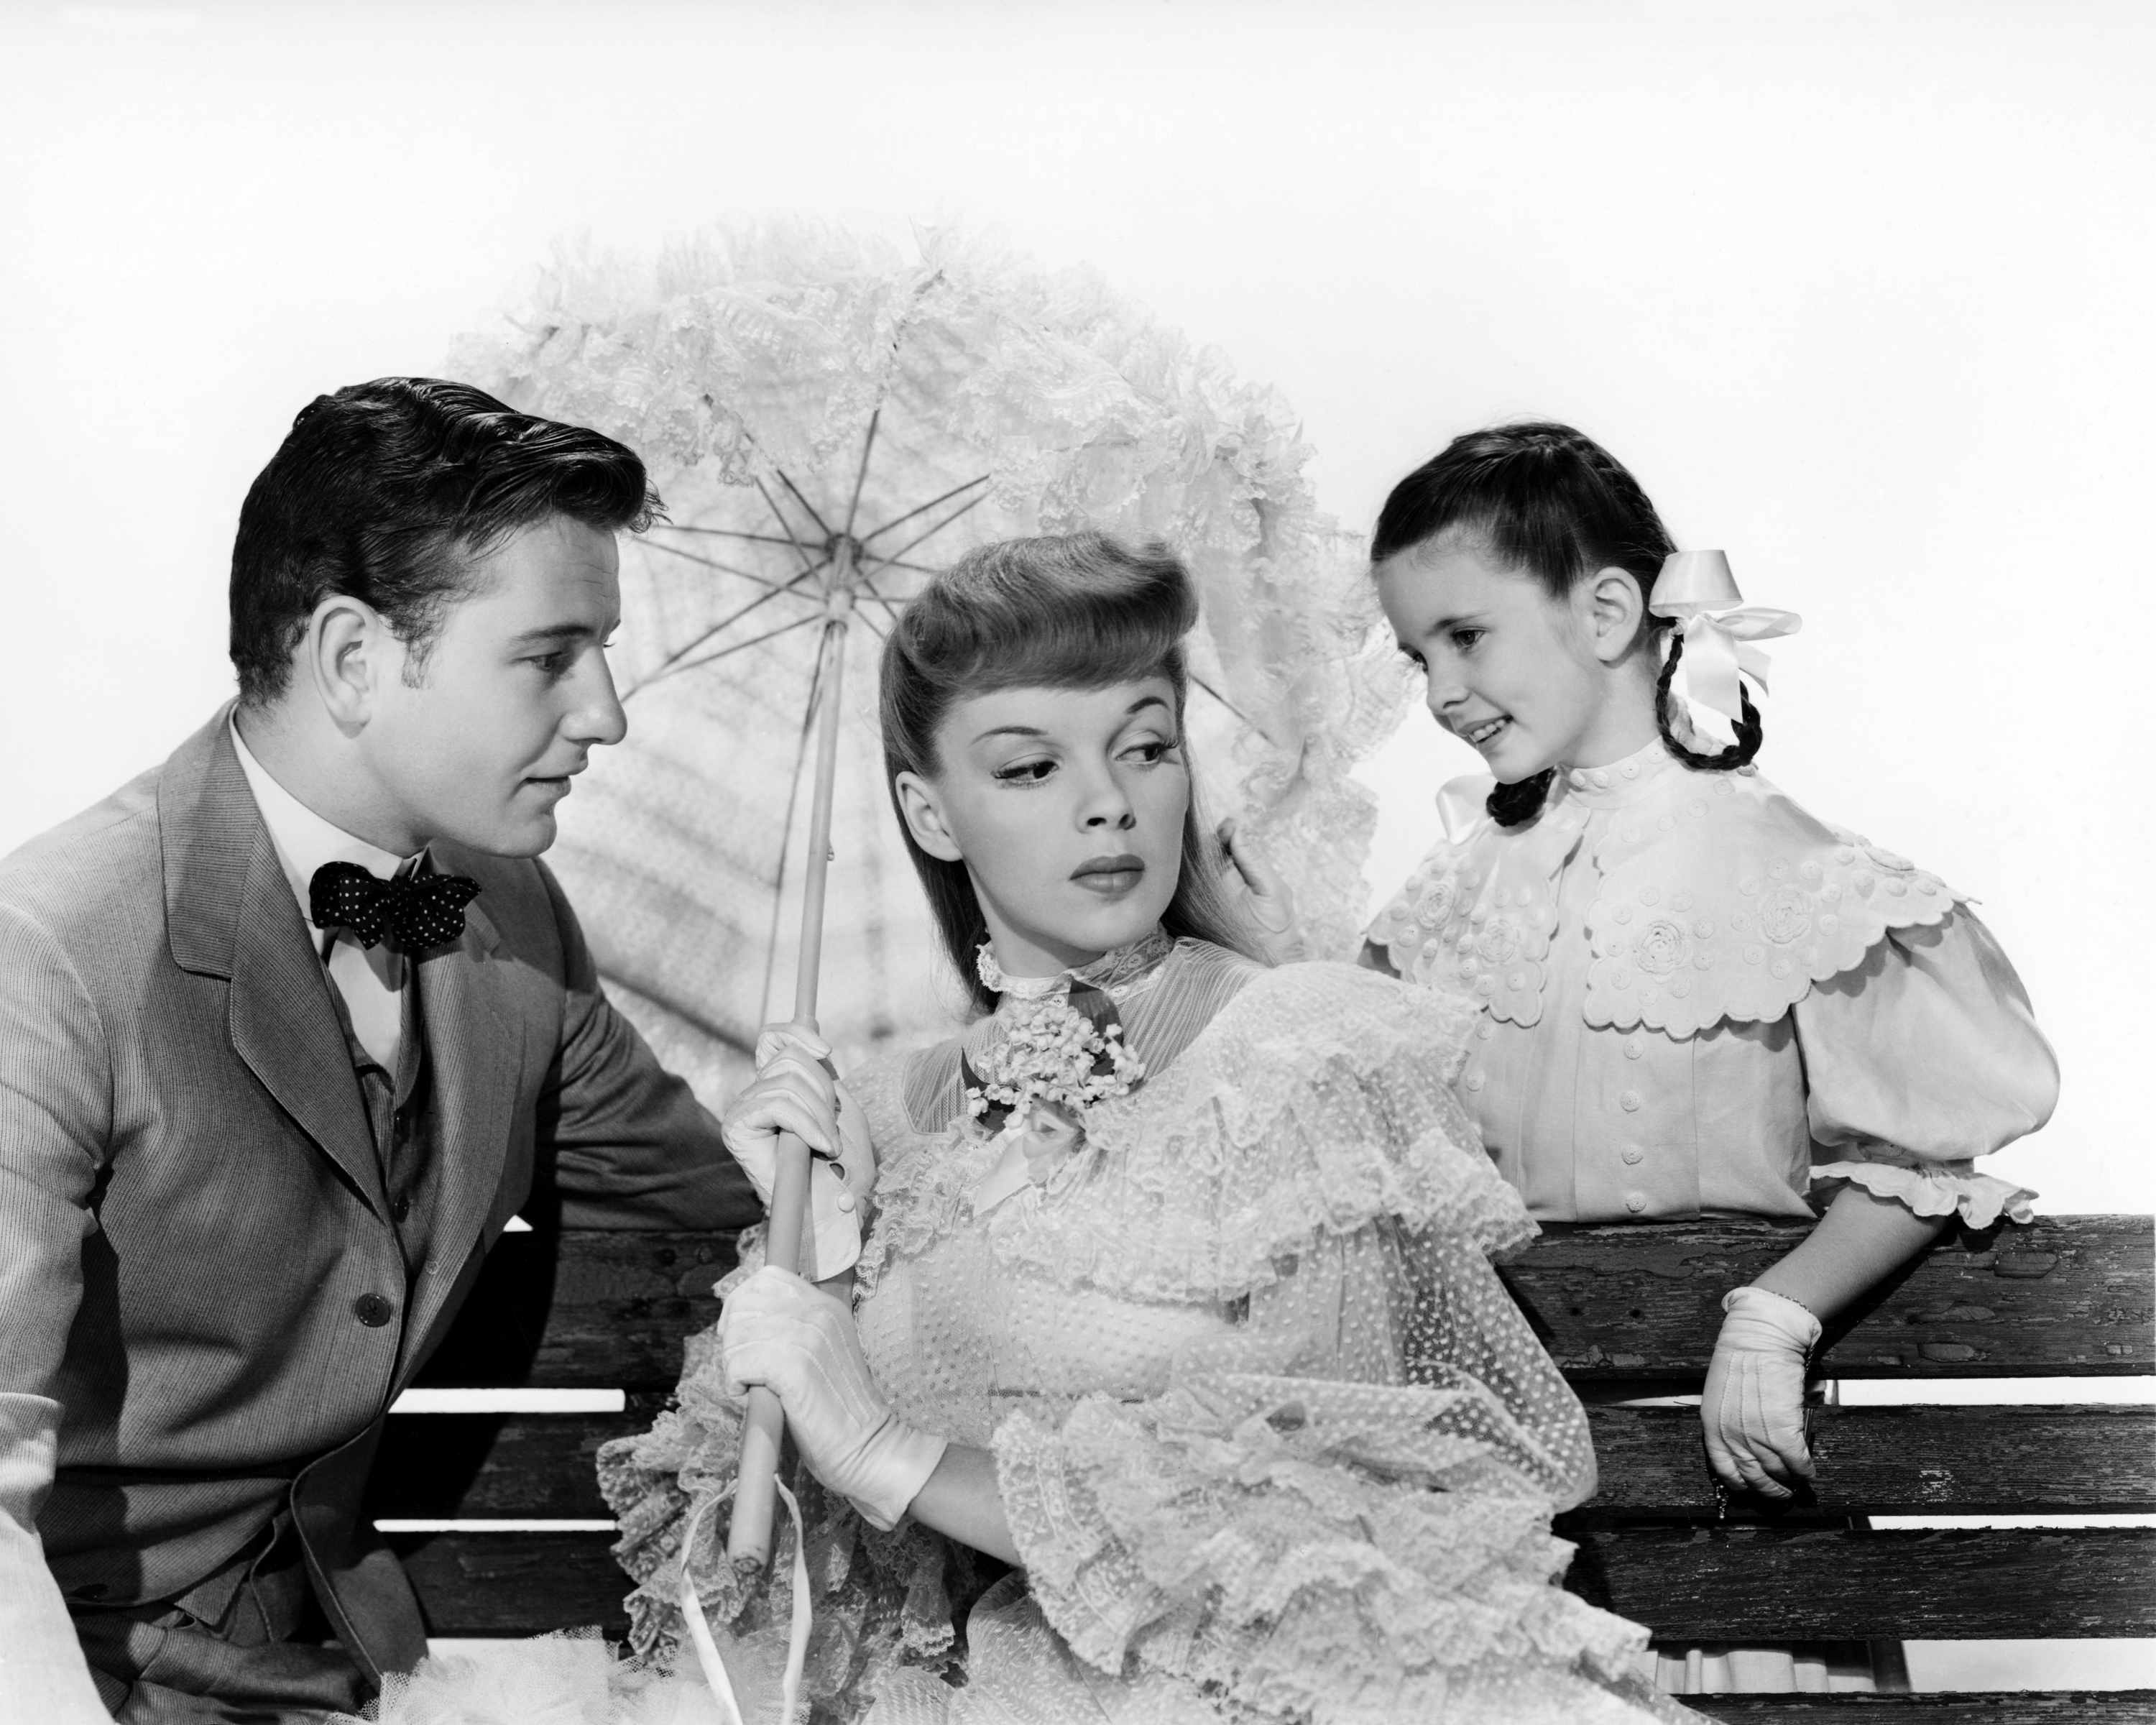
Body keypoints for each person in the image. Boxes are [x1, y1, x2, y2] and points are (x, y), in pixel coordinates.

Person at [572, 531, 1687, 1725]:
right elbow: (803, 1589)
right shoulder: (880, 1116)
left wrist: (891, 1448)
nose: (1109, 806)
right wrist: (832, 1247)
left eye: (1145, 749)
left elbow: (1337, 1525)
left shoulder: (1293, 1055)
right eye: (1030, 769)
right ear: (929, 814)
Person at [0, 378, 761, 1724]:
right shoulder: (44, 952)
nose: (607, 715)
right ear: (353, 657)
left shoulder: (507, 912)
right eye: (550, 655)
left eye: (605, 653)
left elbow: (714, 1217)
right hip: (92, 1678)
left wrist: (847, 1121)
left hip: (367, 1657)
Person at [1359, 423, 2059, 1694]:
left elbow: (1922, 1143)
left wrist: (1776, 1315)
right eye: (1419, 656)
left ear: (1611, 610)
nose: (1441, 691)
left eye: (1466, 636)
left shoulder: (1794, 874)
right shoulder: (1443, 906)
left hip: (1733, 1504)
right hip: (1507, 1502)